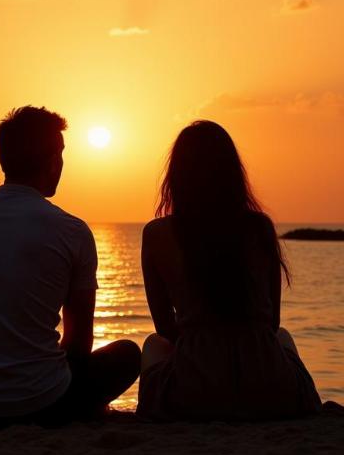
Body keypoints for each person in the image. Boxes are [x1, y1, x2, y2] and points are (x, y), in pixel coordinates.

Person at [0, 105, 140, 428]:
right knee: (128, 355)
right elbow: (79, 346)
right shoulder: (72, 231)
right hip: (42, 407)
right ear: (53, 161)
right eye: (61, 154)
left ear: (2, 159)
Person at [137, 120, 321, 421]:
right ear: (233, 173)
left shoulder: (157, 234)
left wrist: (202, 336)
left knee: (152, 345)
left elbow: (165, 329)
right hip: (269, 387)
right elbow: (272, 322)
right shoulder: (260, 228)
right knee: (284, 338)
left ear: (177, 176)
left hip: (198, 390)